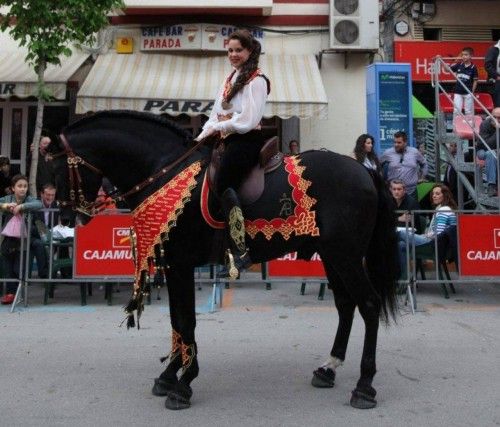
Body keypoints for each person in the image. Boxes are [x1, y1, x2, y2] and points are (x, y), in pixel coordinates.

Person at [194, 29, 270, 278]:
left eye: (239, 50)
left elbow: (248, 120)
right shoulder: (230, 79)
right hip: (225, 136)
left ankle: (241, 250)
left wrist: (219, 126)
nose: (234, 54)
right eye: (230, 50)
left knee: (224, 181)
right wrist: (201, 137)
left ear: (249, 51)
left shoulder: (257, 80)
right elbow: (215, 113)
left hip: (246, 139)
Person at [397, 184, 457, 278]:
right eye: (433, 193)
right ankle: (404, 278)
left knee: (400, 233)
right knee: (400, 245)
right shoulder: (442, 208)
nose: (434, 196)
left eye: (437, 194)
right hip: (437, 244)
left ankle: (399, 278)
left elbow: (438, 233)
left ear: (445, 195)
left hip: (433, 244)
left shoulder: (444, 210)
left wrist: (425, 236)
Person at [0, 174, 42, 304]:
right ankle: (10, 294)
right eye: (19, 186)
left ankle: (19, 294)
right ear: (13, 188)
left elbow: (38, 204)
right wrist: (6, 206)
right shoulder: (8, 198)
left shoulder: (29, 199)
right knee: (8, 268)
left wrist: (22, 207)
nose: (22, 189)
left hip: (24, 240)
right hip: (7, 239)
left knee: (19, 268)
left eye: (25, 186)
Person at [380, 131, 428, 200]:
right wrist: (382, 180)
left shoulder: (414, 152)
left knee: (412, 210)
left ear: (405, 142)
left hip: (411, 192)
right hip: (393, 192)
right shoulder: (388, 153)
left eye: (399, 142)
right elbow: (378, 165)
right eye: (395, 142)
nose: (396, 144)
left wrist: (422, 177)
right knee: (392, 211)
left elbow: (424, 164)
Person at [477, 107, 500, 197]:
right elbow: (487, 145)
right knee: (490, 154)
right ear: (490, 116)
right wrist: (498, 131)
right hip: (483, 150)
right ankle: (491, 185)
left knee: (492, 154)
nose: (497, 120)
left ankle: (493, 184)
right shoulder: (485, 124)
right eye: (495, 117)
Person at [450, 47, 478, 120]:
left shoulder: (473, 67)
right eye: (462, 55)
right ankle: (456, 129)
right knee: (456, 111)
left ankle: (470, 129)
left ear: (471, 56)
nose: (463, 56)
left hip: (468, 92)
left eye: (466, 55)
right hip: (458, 92)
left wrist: (472, 91)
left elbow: (475, 81)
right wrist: (441, 61)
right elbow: (448, 69)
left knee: (468, 111)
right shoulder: (459, 64)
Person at [485, 39, 500, 108]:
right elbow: (488, 65)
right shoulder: (493, 49)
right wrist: (496, 76)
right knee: (498, 104)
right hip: (496, 80)